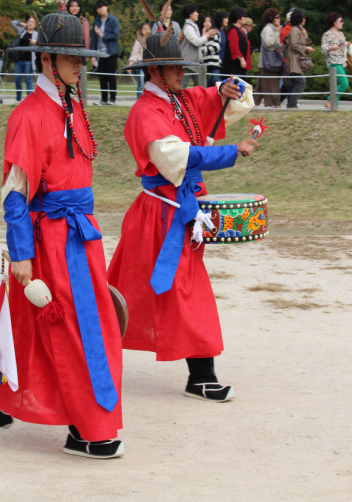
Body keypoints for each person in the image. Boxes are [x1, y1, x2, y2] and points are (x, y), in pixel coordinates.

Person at [0, 0, 124, 460]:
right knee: (71, 331)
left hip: (84, 237)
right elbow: (15, 194)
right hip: (50, 240)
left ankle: (19, 393)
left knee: (88, 327)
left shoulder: (74, 105)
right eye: (71, 58)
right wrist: (23, 259)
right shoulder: (28, 114)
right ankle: (86, 430)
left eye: (82, 59)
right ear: (46, 61)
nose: (80, 66)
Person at [108, 27, 257, 404]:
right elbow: (177, 156)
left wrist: (228, 87)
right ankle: (199, 376)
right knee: (168, 291)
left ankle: (92, 352)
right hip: (160, 214)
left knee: (158, 291)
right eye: (176, 68)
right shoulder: (145, 112)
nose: (183, 74)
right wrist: (229, 152)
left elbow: (224, 97)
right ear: (155, 72)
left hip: (181, 210)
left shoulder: (182, 98)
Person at [181, 3, 218, 88]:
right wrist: (208, 35)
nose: (197, 14)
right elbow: (197, 42)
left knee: (199, 86)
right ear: (190, 13)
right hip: (188, 63)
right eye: (196, 11)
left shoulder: (193, 26)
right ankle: (175, 100)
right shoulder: (188, 27)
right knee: (183, 86)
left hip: (194, 63)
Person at [90, 0, 120, 106]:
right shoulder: (96, 21)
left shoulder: (113, 20)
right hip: (100, 53)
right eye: (98, 8)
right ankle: (103, 99)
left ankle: (112, 99)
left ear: (107, 6)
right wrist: (93, 55)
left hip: (111, 52)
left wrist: (102, 35)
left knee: (111, 76)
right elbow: (94, 39)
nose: (100, 9)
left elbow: (116, 35)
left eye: (102, 7)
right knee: (102, 76)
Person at [321, 12, 351, 109]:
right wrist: (331, 48)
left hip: (341, 62)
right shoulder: (327, 35)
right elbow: (323, 50)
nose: (342, 23)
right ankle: (330, 100)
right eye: (340, 21)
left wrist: (347, 46)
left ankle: (334, 105)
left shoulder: (341, 34)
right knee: (344, 83)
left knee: (338, 84)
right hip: (333, 62)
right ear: (334, 22)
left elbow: (342, 48)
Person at [286, 9, 314, 109]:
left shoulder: (300, 30)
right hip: (295, 60)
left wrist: (306, 36)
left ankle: (290, 103)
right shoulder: (294, 30)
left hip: (299, 60)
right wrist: (305, 48)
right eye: (303, 17)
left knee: (294, 83)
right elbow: (293, 44)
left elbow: (307, 42)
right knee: (301, 82)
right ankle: (292, 103)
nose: (305, 19)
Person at [254, 9, 283, 108]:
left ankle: (255, 103)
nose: (279, 19)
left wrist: (284, 44)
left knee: (261, 84)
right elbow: (268, 43)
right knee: (273, 83)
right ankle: (276, 104)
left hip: (266, 62)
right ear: (271, 18)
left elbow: (276, 46)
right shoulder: (267, 29)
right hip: (268, 62)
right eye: (277, 17)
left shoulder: (273, 29)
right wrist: (277, 33)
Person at [11, 16, 38, 102]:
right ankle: (18, 99)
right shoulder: (21, 31)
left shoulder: (36, 34)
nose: (30, 23)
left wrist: (35, 42)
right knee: (17, 80)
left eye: (32, 22)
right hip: (19, 60)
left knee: (28, 80)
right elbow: (13, 22)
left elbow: (42, 45)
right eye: (29, 21)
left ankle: (29, 100)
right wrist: (23, 24)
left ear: (36, 24)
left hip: (29, 61)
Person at [223, 7, 251, 76]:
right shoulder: (233, 30)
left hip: (239, 66)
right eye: (244, 16)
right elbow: (234, 47)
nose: (245, 18)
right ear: (238, 18)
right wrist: (241, 59)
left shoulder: (240, 30)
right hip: (234, 66)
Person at [128, 22, 151, 99]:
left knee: (150, 83)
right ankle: (139, 99)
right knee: (141, 83)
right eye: (144, 29)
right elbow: (135, 53)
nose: (146, 31)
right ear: (141, 31)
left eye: (148, 29)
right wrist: (131, 63)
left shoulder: (152, 40)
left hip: (150, 64)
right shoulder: (138, 41)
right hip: (141, 64)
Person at [200, 15, 221, 87]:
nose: (207, 23)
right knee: (206, 84)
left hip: (214, 63)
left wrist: (204, 51)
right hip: (205, 63)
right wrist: (203, 35)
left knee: (216, 82)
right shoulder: (201, 35)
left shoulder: (216, 33)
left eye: (209, 21)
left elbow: (215, 48)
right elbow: (200, 50)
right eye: (205, 21)